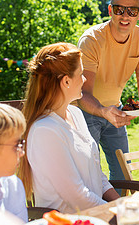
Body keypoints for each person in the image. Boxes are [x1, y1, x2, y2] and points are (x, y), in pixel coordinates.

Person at [18, 42, 120, 213]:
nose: (85, 79)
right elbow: (76, 197)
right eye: (81, 74)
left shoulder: (76, 114)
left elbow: (97, 174)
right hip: (70, 222)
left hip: (94, 216)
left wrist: (124, 203)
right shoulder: (45, 131)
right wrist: (119, 211)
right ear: (66, 81)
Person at [77, 0, 139, 181]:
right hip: (86, 111)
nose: (125, 16)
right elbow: (83, 93)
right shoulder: (91, 40)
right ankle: (96, 212)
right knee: (89, 175)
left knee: (124, 174)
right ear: (110, 11)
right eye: (119, 9)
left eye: (132, 11)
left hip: (115, 109)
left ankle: (117, 211)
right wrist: (102, 111)